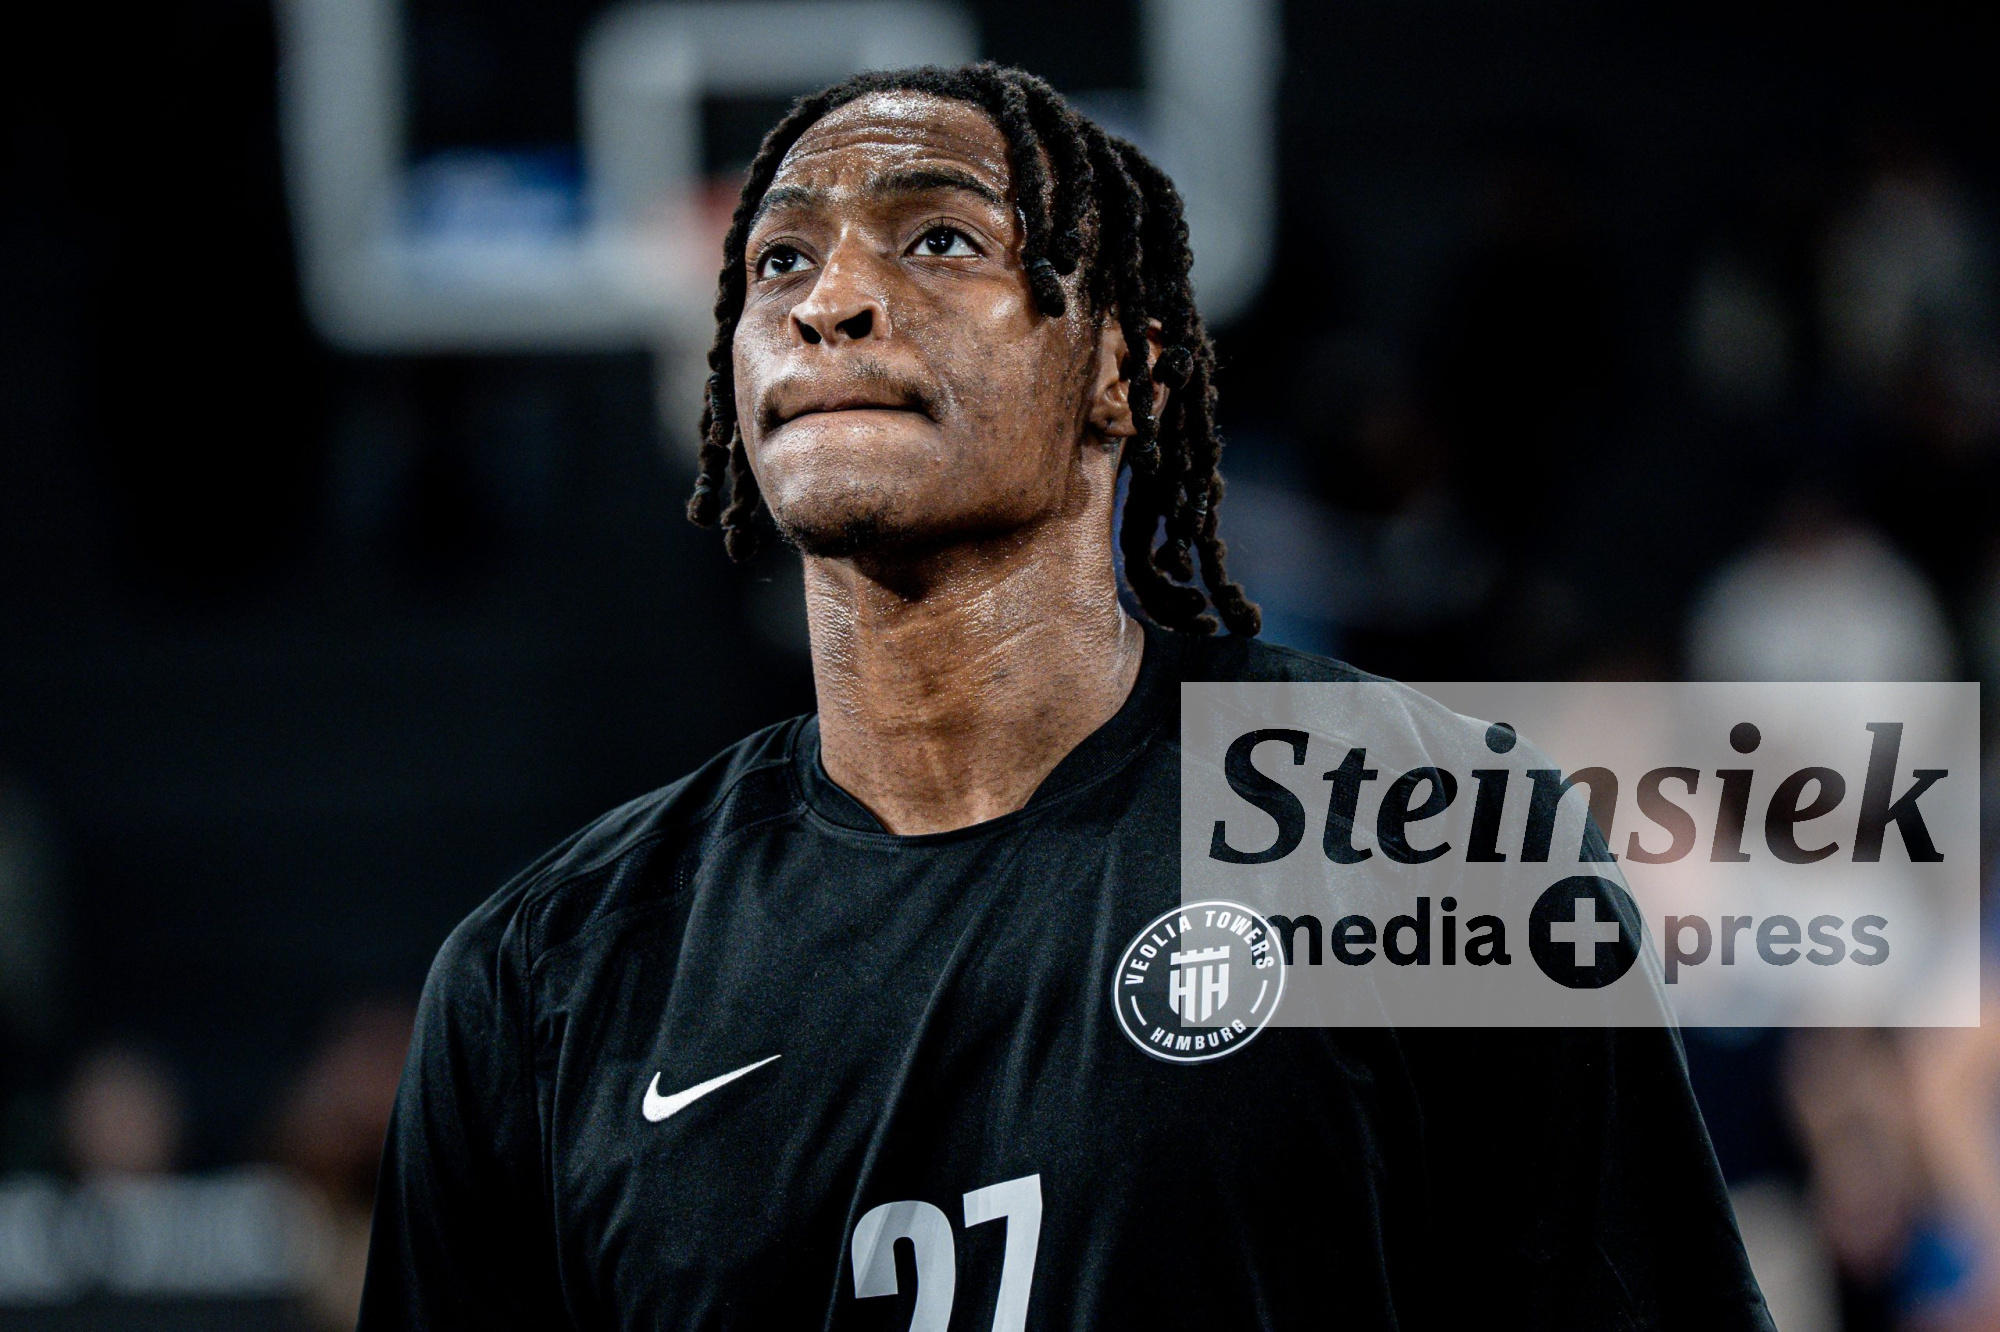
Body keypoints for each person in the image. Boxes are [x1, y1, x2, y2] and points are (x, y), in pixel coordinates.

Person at [358, 63, 1771, 1329]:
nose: (827, 300)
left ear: (1121, 369)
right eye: (779, 258)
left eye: (940, 240)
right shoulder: (547, 975)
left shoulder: (1424, 828)